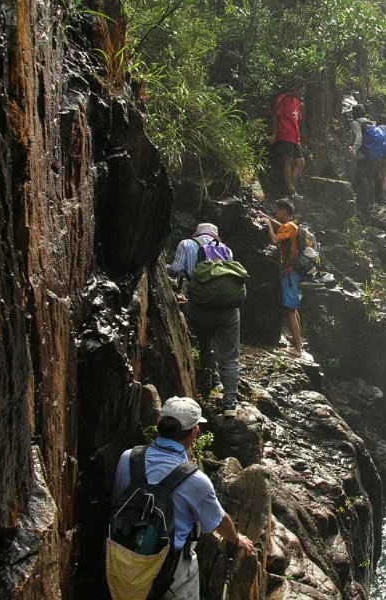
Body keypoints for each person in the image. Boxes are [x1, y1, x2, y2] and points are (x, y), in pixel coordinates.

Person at [113, 396, 255, 599]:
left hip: (123, 556)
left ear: (158, 425)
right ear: (195, 433)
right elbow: (219, 521)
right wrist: (236, 539)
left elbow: (118, 500)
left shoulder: (128, 457)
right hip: (170, 568)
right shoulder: (195, 480)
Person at [167, 223, 241, 418]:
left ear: (198, 233)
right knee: (230, 355)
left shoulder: (186, 244)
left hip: (199, 308)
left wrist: (161, 266)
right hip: (227, 310)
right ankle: (230, 404)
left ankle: (211, 379)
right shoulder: (225, 249)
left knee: (204, 343)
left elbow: (176, 271)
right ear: (215, 235)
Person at [259, 199, 305, 357]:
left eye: (277, 210)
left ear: (284, 212)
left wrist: (269, 225)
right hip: (295, 272)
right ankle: (299, 340)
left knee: (290, 311)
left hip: (289, 273)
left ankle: (298, 349)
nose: (276, 213)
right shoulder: (294, 226)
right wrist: (267, 218)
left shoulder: (287, 227)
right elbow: (281, 228)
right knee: (294, 308)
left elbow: (274, 239)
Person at [272, 82, 305, 200]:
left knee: (300, 162)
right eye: (298, 90)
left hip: (295, 136)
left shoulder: (297, 102)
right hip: (285, 134)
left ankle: (292, 189)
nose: (299, 92)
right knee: (288, 160)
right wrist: (274, 133)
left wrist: (299, 139)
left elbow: (297, 120)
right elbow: (277, 116)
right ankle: (290, 188)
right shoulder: (282, 99)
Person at [348, 104, 376, 211]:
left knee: (362, 176)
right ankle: (371, 202)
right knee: (370, 177)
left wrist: (354, 148)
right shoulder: (369, 122)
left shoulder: (356, 123)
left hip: (363, 153)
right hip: (372, 153)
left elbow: (359, 137)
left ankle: (365, 204)